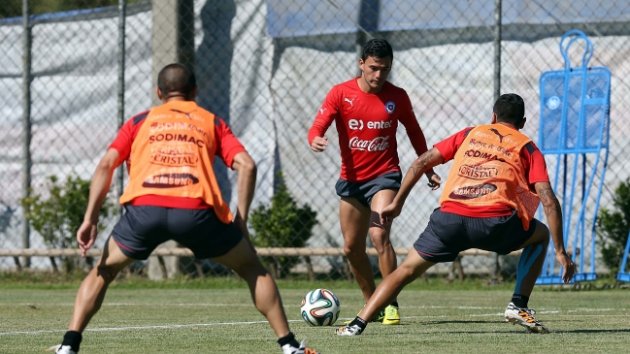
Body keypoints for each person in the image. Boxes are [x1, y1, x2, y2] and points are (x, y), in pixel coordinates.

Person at [52, 63, 318, 354]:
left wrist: (89, 218)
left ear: (159, 93)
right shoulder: (210, 121)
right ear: (194, 92)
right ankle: (289, 346)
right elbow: (247, 165)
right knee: (252, 268)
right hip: (196, 210)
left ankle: (69, 345)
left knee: (103, 271)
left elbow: (105, 164)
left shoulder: (139, 121)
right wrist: (240, 218)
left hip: (145, 209)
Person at [336, 93, 576, 336]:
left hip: (449, 220)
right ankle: (519, 304)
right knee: (541, 234)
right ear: (522, 122)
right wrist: (560, 252)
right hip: (495, 224)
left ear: (493, 117)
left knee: (405, 271)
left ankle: (357, 324)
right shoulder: (528, 147)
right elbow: (548, 200)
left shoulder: (469, 134)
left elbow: (420, 162)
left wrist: (397, 203)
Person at [308, 38, 440, 325]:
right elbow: (318, 126)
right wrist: (315, 138)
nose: (379, 75)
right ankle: (372, 301)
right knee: (350, 249)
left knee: (379, 235)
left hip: (385, 176)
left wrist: (428, 167)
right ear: (361, 64)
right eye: (374, 68)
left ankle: (390, 303)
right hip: (352, 181)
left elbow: (415, 134)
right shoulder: (340, 94)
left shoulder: (398, 97)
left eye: (385, 69)